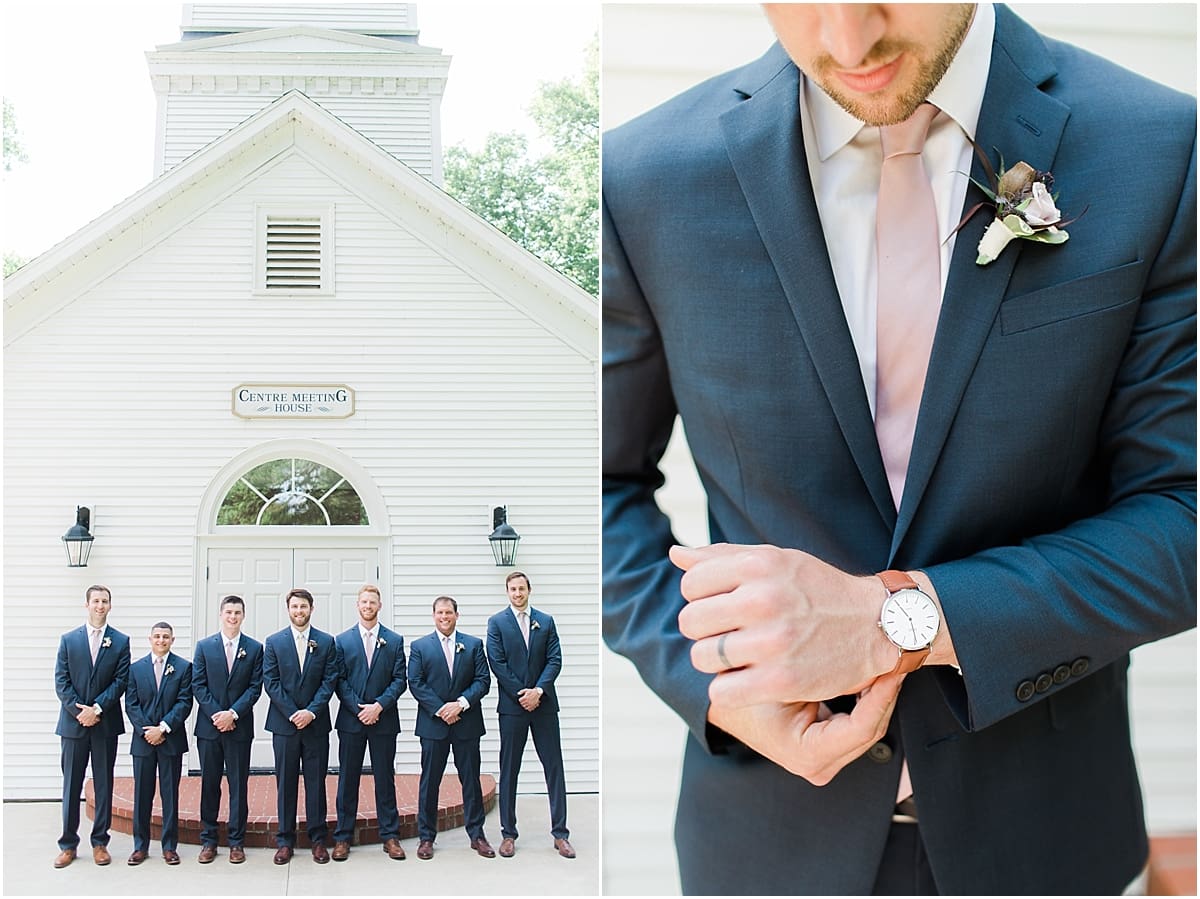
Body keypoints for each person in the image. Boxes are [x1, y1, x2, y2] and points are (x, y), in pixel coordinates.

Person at [602, 3, 1195, 895]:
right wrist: (717, 678)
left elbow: (1185, 510)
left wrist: (897, 621)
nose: (848, 40)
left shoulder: (1158, 148)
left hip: (1049, 840)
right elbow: (597, 484)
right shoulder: (642, 178)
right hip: (765, 849)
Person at [485, 571, 574, 859]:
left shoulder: (546, 622)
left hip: (544, 705)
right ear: (507, 592)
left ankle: (560, 834)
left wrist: (538, 691)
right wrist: (522, 694)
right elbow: (497, 662)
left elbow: (554, 660)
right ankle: (508, 834)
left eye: (521, 588)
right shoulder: (497, 623)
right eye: (513, 589)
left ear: (529, 590)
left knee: (554, 767)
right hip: (513, 708)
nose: (517, 593)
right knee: (510, 768)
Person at [407, 595, 493, 860]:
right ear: (433, 615)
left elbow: (483, 680)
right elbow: (415, 682)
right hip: (433, 725)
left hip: (467, 723)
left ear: (457, 615)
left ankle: (477, 835)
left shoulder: (474, 645)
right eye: (440, 613)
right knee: (430, 782)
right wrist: (442, 709)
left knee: (471, 780)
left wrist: (461, 704)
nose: (444, 617)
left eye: (448, 612)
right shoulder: (420, 646)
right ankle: (426, 837)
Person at [53, 585, 131, 868]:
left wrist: (97, 709)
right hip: (73, 726)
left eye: (105, 601)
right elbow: (61, 681)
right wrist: (79, 712)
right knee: (71, 785)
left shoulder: (120, 641)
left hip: (104, 724)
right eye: (96, 601)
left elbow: (120, 681)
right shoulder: (68, 640)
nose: (100, 605)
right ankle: (68, 844)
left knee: (103, 783)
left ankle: (100, 842)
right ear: (86, 604)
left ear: (110, 605)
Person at [263, 587, 341, 865]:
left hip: (315, 725)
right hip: (284, 725)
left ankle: (318, 840)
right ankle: (285, 841)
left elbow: (329, 680)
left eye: (303, 606)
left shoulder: (326, 642)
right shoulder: (274, 642)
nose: (299, 611)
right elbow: (271, 681)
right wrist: (293, 712)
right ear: (288, 610)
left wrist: (310, 712)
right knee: (285, 783)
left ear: (311, 609)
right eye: (295, 607)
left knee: (316, 783)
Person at [331, 584, 409, 862]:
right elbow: (338, 679)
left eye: (372, 602)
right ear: (357, 605)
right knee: (347, 779)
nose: (368, 606)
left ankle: (390, 836)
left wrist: (378, 706)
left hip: (383, 720)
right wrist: (358, 708)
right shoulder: (342, 641)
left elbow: (400, 680)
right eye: (364, 602)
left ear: (379, 605)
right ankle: (343, 837)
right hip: (351, 721)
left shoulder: (394, 640)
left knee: (384, 779)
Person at [191, 594, 264, 864]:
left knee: (238, 786)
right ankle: (208, 840)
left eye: (237, 613)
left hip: (239, 727)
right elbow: (198, 684)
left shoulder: (254, 648)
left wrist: (232, 714)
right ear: (221, 614)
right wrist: (217, 715)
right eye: (229, 612)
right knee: (209, 785)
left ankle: (236, 842)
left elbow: (255, 687)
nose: (233, 617)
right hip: (209, 729)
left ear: (243, 616)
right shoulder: (204, 646)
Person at [124, 621, 193, 866]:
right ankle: (140, 846)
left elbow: (184, 702)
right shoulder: (135, 669)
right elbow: (131, 704)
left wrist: (163, 728)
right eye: (157, 636)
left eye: (166, 637)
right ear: (150, 639)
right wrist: (147, 731)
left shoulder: (184, 668)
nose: (161, 640)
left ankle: (169, 846)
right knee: (142, 795)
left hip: (170, 740)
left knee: (169, 795)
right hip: (143, 741)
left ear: (172, 640)